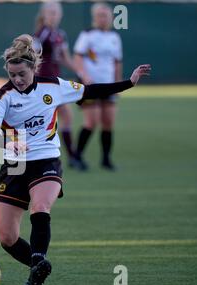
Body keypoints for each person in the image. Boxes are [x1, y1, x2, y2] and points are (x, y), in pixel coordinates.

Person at [0, 34, 150, 285]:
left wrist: (129, 82)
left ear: (33, 69)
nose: (16, 80)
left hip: (47, 159)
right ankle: (38, 265)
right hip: (14, 165)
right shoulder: (3, 96)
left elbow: (91, 90)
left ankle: (38, 262)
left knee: (40, 207)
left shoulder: (53, 86)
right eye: (12, 74)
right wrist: (9, 143)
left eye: (21, 74)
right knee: (7, 237)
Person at [73, 2, 123, 171]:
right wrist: (84, 76)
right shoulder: (88, 35)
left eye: (106, 15)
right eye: (100, 15)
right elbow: (78, 57)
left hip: (108, 86)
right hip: (91, 86)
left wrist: (118, 85)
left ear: (111, 18)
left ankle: (106, 159)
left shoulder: (114, 38)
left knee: (108, 122)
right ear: (95, 17)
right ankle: (77, 156)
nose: (104, 18)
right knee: (91, 122)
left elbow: (117, 63)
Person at [33, 0, 77, 167]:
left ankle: (70, 157)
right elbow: (33, 58)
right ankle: (64, 157)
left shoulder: (60, 34)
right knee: (50, 120)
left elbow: (65, 58)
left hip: (57, 83)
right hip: (44, 84)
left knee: (65, 118)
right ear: (44, 14)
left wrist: (80, 73)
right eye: (50, 12)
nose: (53, 15)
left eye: (56, 12)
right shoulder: (41, 34)